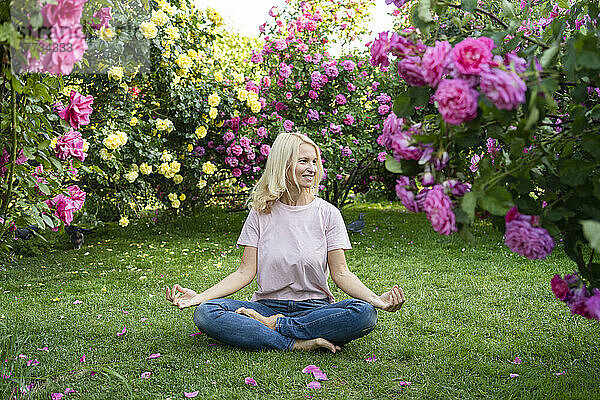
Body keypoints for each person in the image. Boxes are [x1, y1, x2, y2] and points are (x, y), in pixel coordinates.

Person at [166, 132, 405, 353]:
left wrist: (376, 300)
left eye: (314, 162)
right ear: (284, 165)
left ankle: (277, 327)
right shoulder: (260, 213)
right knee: (207, 313)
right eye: (303, 161)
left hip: (315, 308)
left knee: (363, 313)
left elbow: (341, 273)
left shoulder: (328, 213)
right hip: (266, 305)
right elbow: (243, 273)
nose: (312, 168)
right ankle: (295, 343)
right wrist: (200, 297)